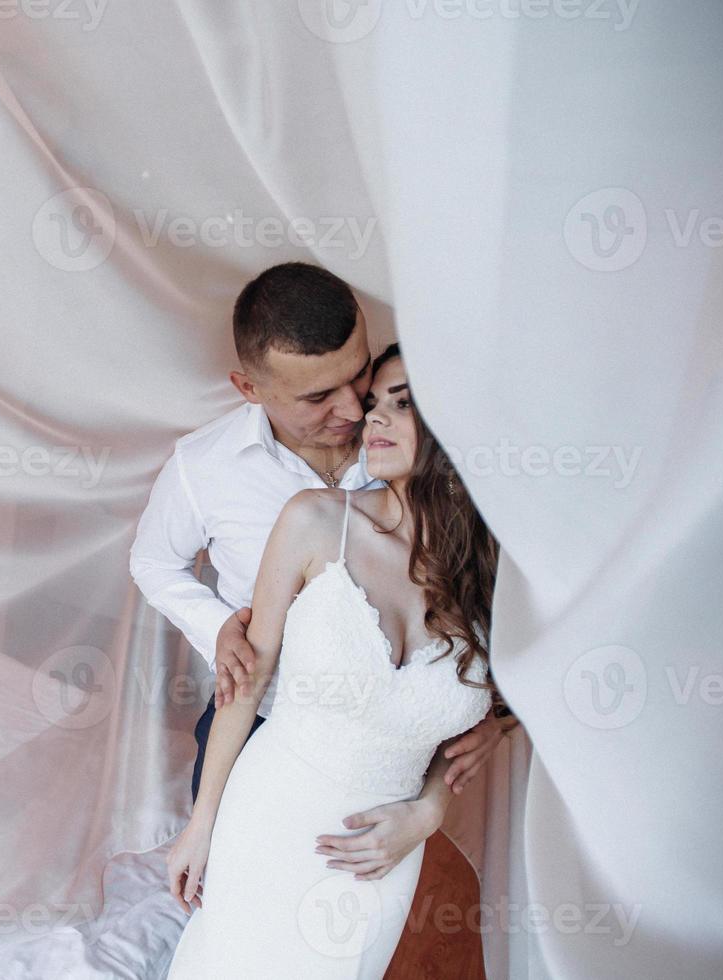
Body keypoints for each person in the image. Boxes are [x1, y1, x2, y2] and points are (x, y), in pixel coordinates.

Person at [129, 262, 506, 881]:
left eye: (356, 374)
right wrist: (222, 625)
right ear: (249, 388)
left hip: (392, 750)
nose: (355, 407)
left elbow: (482, 610)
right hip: (256, 725)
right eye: (317, 397)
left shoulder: (417, 444)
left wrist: (491, 720)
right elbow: (152, 562)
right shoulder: (204, 467)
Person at [162, 345, 508, 977]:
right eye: (373, 403)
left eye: (401, 404)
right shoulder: (316, 522)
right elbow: (246, 684)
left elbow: (506, 711)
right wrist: (201, 823)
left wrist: (429, 812)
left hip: (384, 854)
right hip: (270, 817)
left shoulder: (492, 577)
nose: (373, 418)